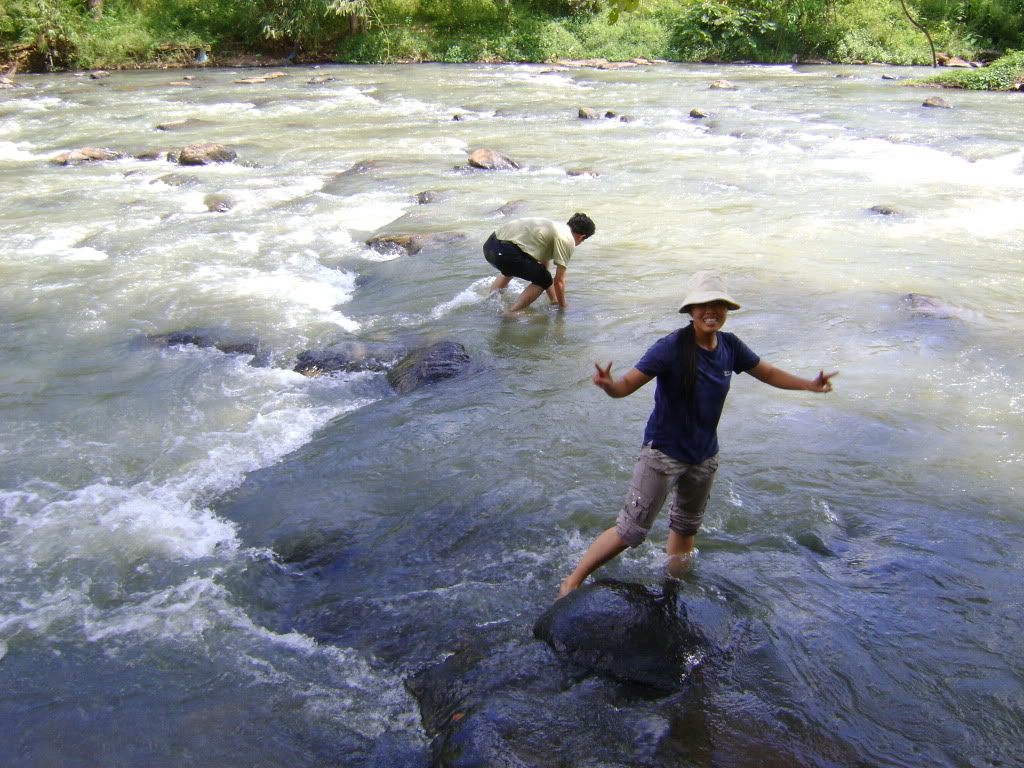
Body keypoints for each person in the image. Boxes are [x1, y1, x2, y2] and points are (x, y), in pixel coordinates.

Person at [558, 270, 837, 598]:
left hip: (704, 456)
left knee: (685, 528)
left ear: (727, 310)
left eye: (719, 304)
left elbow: (769, 373)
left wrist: (810, 385)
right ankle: (573, 580)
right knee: (630, 531)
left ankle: (672, 592)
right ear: (690, 311)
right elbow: (627, 386)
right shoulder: (671, 347)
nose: (711, 310)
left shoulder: (730, 347)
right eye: (703, 304)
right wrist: (609, 386)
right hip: (663, 453)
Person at [483, 213, 596, 313]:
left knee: (513, 269)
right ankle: (511, 312)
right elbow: (559, 281)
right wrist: (563, 307)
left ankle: (489, 301)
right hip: (506, 253)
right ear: (582, 237)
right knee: (542, 278)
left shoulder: (553, 228)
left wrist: (554, 300)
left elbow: (543, 268)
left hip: (490, 246)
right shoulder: (567, 239)